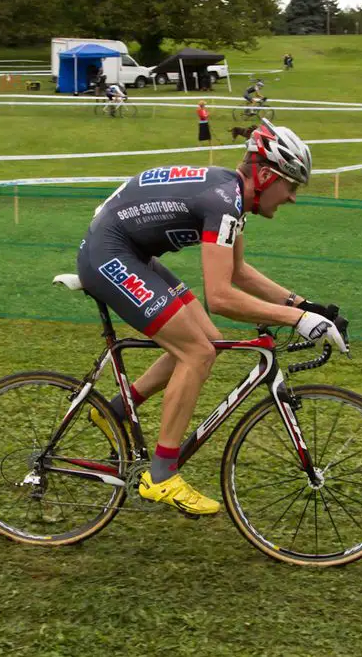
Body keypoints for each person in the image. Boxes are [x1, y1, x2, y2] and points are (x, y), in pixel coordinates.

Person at [77, 119, 347, 515]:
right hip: (109, 254)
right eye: (291, 186)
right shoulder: (225, 200)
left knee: (208, 340)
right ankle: (162, 476)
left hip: (127, 251)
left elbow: (239, 272)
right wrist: (296, 321)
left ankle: (115, 410)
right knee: (196, 353)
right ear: (268, 175)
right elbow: (220, 296)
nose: (292, 198)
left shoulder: (231, 195)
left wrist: (305, 307)